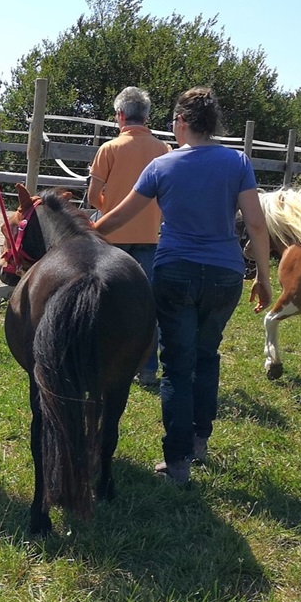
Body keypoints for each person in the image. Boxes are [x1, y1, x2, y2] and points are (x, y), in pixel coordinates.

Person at [94, 87, 272, 485]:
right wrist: (263, 276)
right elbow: (256, 224)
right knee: (207, 355)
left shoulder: (163, 167)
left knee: (176, 365)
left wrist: (83, 232)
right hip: (226, 274)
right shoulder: (238, 162)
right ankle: (199, 440)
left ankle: (177, 464)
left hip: (175, 273)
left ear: (181, 123)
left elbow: (119, 217)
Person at [88, 87, 170, 385]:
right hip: (150, 236)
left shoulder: (109, 149)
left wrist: (110, 210)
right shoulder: (163, 150)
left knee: (107, 303)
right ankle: (148, 368)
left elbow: (94, 194)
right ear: (146, 116)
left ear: (120, 116)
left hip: (113, 237)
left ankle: (107, 362)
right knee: (146, 304)